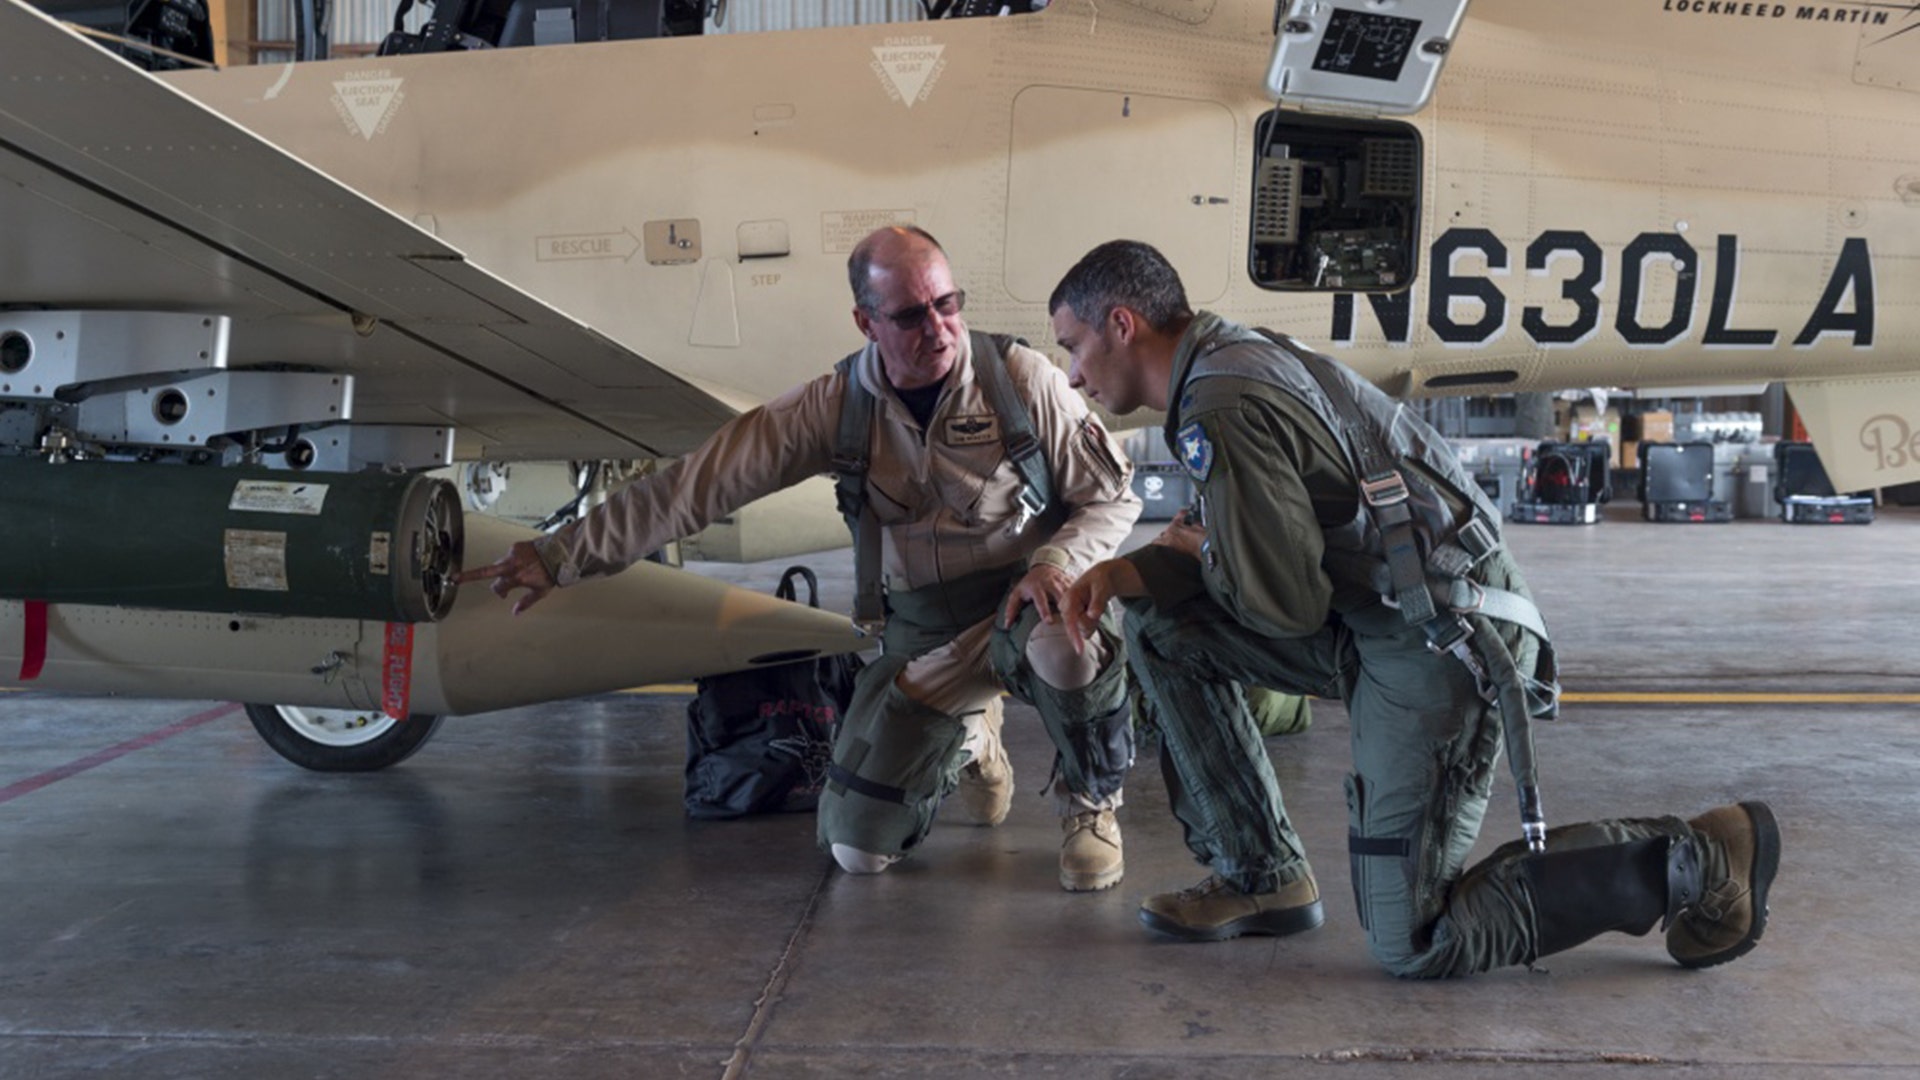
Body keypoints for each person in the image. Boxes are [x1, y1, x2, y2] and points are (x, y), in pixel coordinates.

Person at [1047, 239, 1781, 978]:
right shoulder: (1232, 357)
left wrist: (1197, 553)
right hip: (1388, 611)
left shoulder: (1220, 402)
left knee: (1417, 940)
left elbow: (1286, 606)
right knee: (1165, 625)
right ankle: (1261, 876)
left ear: (1122, 324)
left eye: (1073, 347)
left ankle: (1705, 858)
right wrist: (1141, 570)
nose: (1073, 376)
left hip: (1443, 637)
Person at [457, 226, 1141, 891]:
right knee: (856, 851)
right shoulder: (835, 407)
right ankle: (971, 739)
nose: (938, 329)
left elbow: (1113, 498)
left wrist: (1055, 560)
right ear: (866, 322)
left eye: (947, 303)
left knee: (1069, 647)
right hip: (924, 635)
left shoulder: (1019, 381)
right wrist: (560, 554)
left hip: (1023, 606)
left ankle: (1091, 803)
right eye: (910, 315)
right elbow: (694, 488)